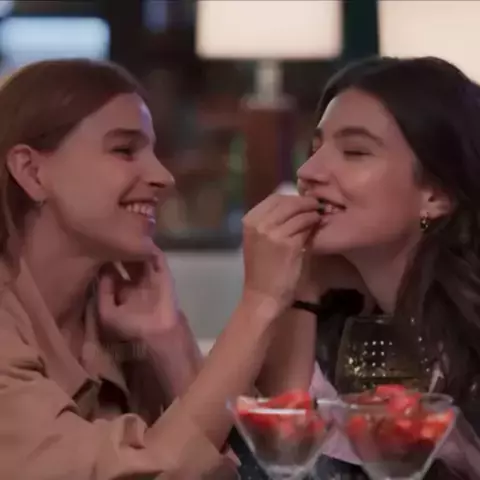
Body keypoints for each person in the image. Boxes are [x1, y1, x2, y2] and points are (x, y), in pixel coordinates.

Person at [0, 59, 323, 479]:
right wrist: (259, 302)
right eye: (124, 150)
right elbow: (146, 471)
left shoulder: (115, 314)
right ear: (31, 171)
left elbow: (219, 473)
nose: (163, 176)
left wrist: (170, 342)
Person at [258, 56, 480, 479]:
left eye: (355, 152)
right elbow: (286, 464)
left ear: (436, 195)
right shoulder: (343, 332)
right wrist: (300, 289)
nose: (308, 172)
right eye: (315, 149)